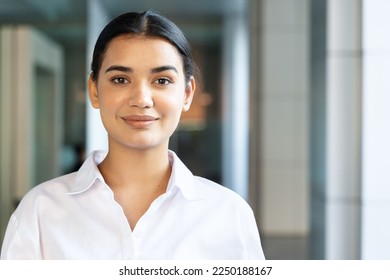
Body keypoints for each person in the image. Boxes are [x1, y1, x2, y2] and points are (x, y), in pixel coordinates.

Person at [1, 11, 265, 260]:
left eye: (161, 80)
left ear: (186, 94)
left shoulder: (228, 214)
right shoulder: (41, 211)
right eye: (120, 79)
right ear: (94, 90)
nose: (141, 99)